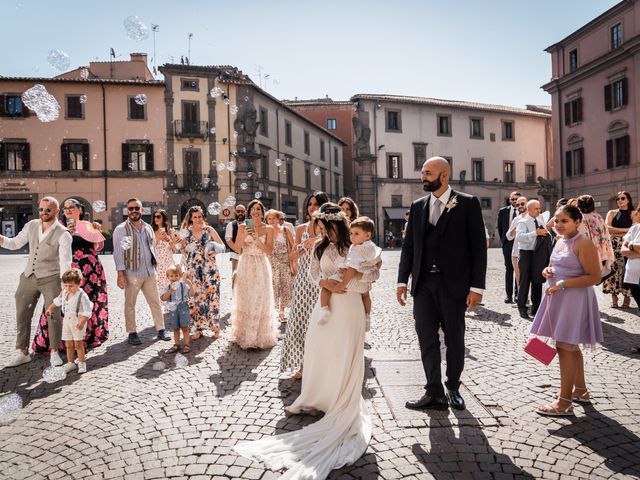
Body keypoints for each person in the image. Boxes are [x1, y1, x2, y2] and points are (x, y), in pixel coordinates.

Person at [234, 203, 379, 479]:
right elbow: (313, 274)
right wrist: (327, 284)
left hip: (349, 307)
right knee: (320, 351)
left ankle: (339, 401)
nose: (324, 233)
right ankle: (317, 398)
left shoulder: (357, 246)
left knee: (344, 353)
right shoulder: (320, 247)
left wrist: (351, 279)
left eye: (327, 229)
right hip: (326, 306)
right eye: (321, 229)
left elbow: (373, 273)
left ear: (338, 227)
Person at [397, 157, 487, 411]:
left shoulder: (467, 203)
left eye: (427, 173)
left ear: (444, 175)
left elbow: (478, 248)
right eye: (422, 172)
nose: (422, 177)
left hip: (454, 285)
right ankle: (433, 391)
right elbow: (409, 247)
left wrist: (476, 287)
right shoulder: (417, 206)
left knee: (455, 339)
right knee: (426, 338)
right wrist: (402, 281)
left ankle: (454, 387)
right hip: (423, 284)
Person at [531, 205, 602, 416]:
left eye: (565, 221)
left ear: (577, 222)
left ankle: (564, 402)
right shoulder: (560, 241)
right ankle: (580, 390)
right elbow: (556, 265)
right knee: (570, 345)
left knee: (564, 347)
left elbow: (594, 277)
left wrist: (563, 284)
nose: (559, 225)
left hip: (573, 298)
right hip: (558, 298)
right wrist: (547, 271)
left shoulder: (584, 243)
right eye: (557, 220)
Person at [0, 196, 72, 367]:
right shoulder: (31, 225)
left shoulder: (63, 234)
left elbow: (65, 261)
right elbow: (15, 243)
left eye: (48, 210)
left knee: (53, 315)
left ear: (56, 211)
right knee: (22, 313)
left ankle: (54, 352)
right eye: (41, 209)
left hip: (51, 278)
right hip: (29, 276)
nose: (43, 213)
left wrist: (65, 286)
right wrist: (2, 238)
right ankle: (23, 352)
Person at [33, 198, 109, 353]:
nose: (68, 210)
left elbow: (98, 247)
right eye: (65, 207)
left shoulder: (88, 225)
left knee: (87, 304)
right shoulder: (58, 227)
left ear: (80, 209)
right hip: (67, 272)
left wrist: (97, 231)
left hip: (91, 273)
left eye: (71, 207)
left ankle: (86, 337)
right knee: (63, 302)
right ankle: (61, 340)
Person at [280, 191, 329, 379]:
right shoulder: (301, 229)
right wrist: (300, 250)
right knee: (301, 322)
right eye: (310, 204)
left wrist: (317, 240)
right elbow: (291, 256)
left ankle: (321, 363)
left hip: (321, 280)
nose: (312, 207)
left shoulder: (328, 229)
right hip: (303, 280)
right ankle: (302, 364)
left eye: (316, 204)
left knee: (320, 321)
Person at [113, 198, 170, 345]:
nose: (133, 211)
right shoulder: (121, 229)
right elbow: (119, 253)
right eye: (131, 208)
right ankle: (132, 333)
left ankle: (161, 329)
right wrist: (120, 274)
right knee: (130, 304)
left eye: (136, 208)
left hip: (149, 272)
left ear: (141, 210)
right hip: (132, 273)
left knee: (155, 302)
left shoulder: (148, 228)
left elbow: (152, 247)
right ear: (127, 210)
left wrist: (155, 266)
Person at [317, 216, 380, 332]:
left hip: (348, 279)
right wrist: (371, 271)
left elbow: (352, 269)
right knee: (366, 296)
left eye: (356, 234)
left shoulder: (356, 249)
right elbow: (378, 261)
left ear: (368, 235)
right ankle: (367, 317)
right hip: (363, 280)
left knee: (328, 284)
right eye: (351, 233)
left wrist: (342, 284)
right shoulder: (372, 247)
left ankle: (324, 309)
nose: (352, 237)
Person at [230, 200, 278, 349]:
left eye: (259, 209)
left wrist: (257, 238)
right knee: (246, 298)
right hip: (246, 265)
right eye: (253, 209)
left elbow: (269, 251)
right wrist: (243, 236)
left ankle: (258, 337)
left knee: (260, 298)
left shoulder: (269, 229)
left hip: (261, 265)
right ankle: (245, 335)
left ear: (262, 212)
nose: (256, 211)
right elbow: (238, 249)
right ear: (249, 212)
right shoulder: (243, 226)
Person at [179, 205, 224, 341]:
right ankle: (198, 329)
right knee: (196, 299)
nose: (198, 219)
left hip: (210, 269)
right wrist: (181, 246)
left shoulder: (209, 230)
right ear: (190, 219)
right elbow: (184, 251)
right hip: (193, 270)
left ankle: (215, 329)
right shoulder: (186, 232)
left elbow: (222, 245)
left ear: (203, 217)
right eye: (195, 217)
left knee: (213, 298)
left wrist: (215, 251)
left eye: (200, 216)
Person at [45, 268, 93, 374]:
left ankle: (81, 363)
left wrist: (82, 322)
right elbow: (58, 301)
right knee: (68, 344)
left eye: (71, 286)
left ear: (79, 283)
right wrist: (50, 308)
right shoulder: (65, 293)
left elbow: (88, 310)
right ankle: (71, 363)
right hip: (67, 321)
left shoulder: (82, 296)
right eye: (65, 285)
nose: (68, 288)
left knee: (78, 344)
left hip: (78, 322)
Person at [515, 200, 550, 319]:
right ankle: (522, 308)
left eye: (539, 208)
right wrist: (535, 233)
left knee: (537, 281)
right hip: (525, 254)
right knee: (524, 281)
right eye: (536, 208)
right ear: (529, 209)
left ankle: (536, 308)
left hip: (538, 254)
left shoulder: (541, 221)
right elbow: (519, 237)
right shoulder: (523, 222)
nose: (539, 210)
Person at [603, 191, 633, 308]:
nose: (620, 201)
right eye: (618, 199)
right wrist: (626, 230)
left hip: (628, 245)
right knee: (612, 272)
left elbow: (636, 228)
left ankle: (627, 299)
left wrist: (619, 231)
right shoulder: (612, 213)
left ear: (628, 200)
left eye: (623, 198)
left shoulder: (633, 213)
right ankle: (614, 300)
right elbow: (607, 228)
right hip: (613, 246)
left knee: (627, 271)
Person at [576, 195, 614, 280]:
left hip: (588, 254)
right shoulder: (598, 217)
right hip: (601, 252)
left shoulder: (580, 218)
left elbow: (581, 236)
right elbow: (606, 235)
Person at [266, 209, 295, 322]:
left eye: (274, 218)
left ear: (278, 219)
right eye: (269, 218)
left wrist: (293, 261)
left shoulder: (286, 230)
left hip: (285, 263)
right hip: (271, 263)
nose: (272, 220)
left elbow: (293, 246)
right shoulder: (266, 231)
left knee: (285, 287)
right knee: (273, 287)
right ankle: (272, 310)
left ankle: (281, 311)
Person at [160, 264, 194, 354]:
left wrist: (190, 284)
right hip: (173, 309)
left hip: (183, 307)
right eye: (171, 276)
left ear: (179, 276)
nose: (174, 278)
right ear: (168, 277)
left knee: (185, 327)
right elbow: (163, 298)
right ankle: (177, 344)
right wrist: (170, 290)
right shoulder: (167, 287)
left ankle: (187, 344)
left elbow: (192, 294)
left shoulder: (183, 286)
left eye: (176, 276)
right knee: (175, 328)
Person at [621, 205, 640, 352]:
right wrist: (636, 248)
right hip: (633, 277)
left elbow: (629, 248)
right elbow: (623, 250)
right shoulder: (634, 229)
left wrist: (631, 245)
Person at [497, 191, 521, 303]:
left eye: (516, 199)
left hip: (520, 243)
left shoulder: (523, 212)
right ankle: (508, 295)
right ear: (510, 200)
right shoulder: (503, 211)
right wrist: (503, 241)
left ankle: (518, 294)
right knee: (509, 269)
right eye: (512, 199)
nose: (515, 201)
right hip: (507, 244)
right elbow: (500, 228)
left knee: (519, 269)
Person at [152, 209, 179, 298]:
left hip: (168, 263)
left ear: (164, 218)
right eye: (155, 217)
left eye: (158, 216)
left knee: (171, 284)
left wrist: (170, 241)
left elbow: (176, 250)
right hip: (158, 264)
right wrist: (158, 239)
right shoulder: (152, 232)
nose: (156, 218)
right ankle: (161, 309)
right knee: (159, 286)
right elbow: (149, 248)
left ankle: (171, 307)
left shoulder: (171, 231)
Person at [506, 197, 528, 301]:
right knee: (518, 276)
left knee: (529, 276)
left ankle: (529, 297)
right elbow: (508, 236)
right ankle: (522, 299)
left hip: (529, 251)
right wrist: (514, 230)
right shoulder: (516, 219)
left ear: (527, 204)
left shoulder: (533, 217)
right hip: (516, 252)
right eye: (518, 205)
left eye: (522, 204)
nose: (520, 206)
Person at [224, 204, 246, 286]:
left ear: (245, 213)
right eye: (238, 211)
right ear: (235, 213)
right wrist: (238, 250)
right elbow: (228, 240)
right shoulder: (231, 225)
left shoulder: (249, 224)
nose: (240, 213)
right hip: (235, 256)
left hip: (248, 255)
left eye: (242, 211)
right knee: (235, 278)